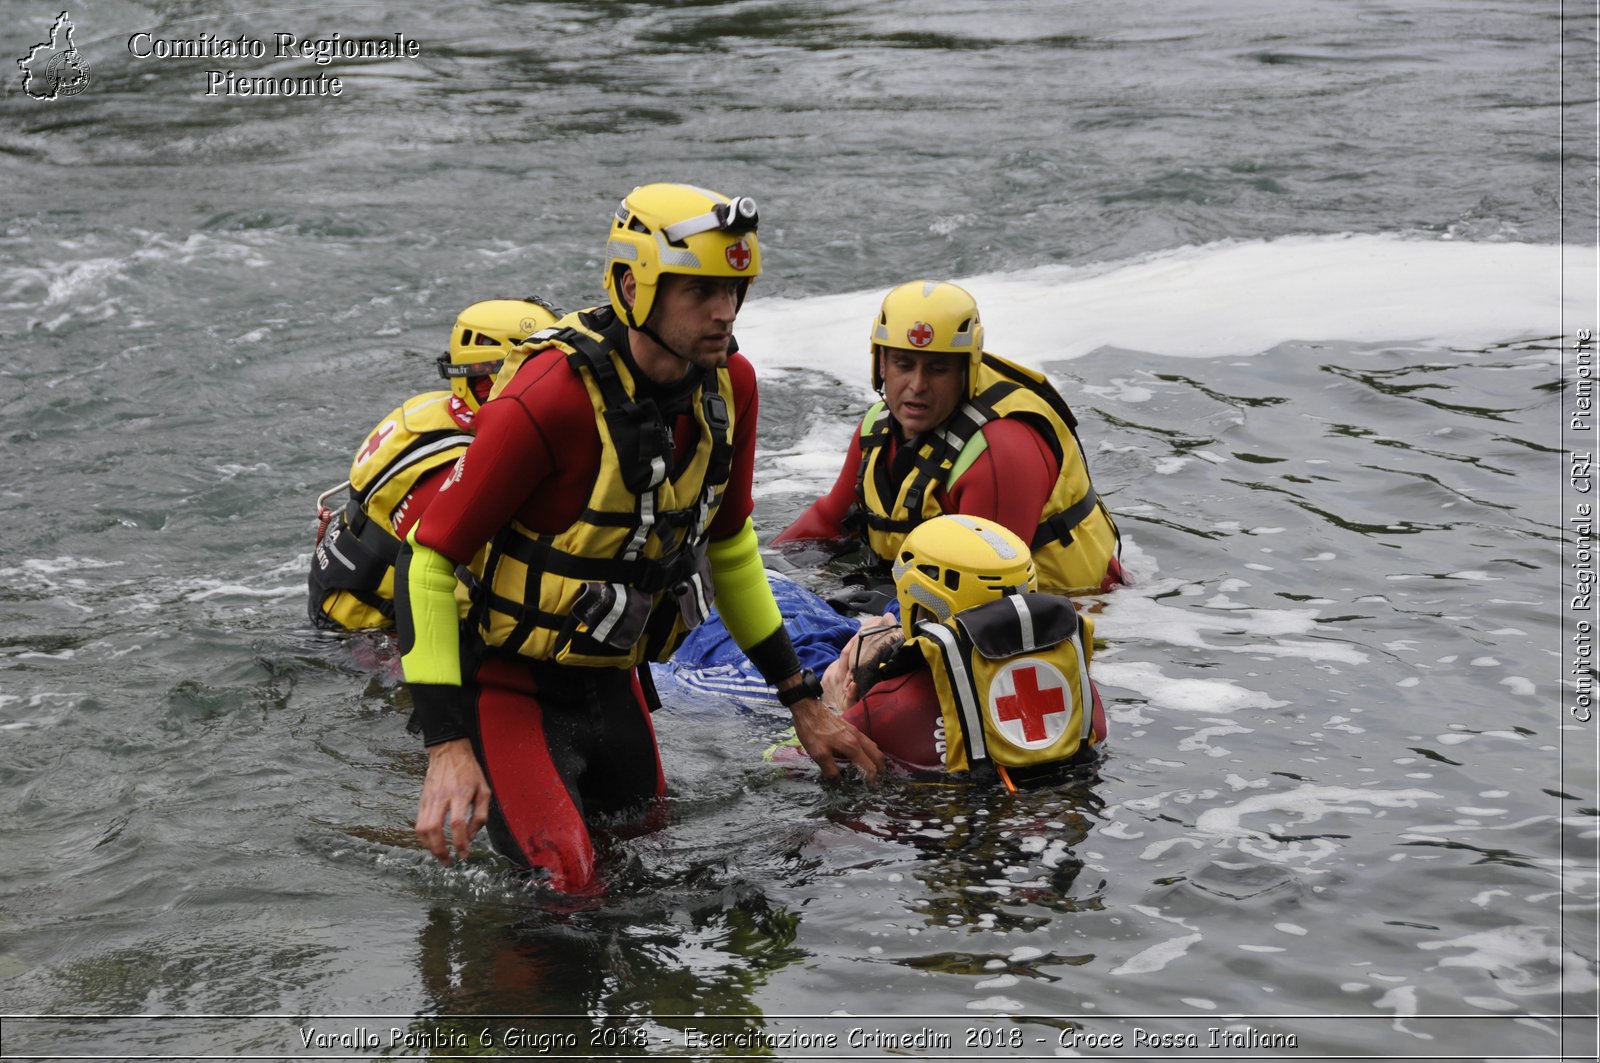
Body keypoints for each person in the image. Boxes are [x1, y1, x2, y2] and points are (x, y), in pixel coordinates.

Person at [394, 183, 885, 892]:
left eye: (737, 290)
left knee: (650, 880)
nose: (726, 311)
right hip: (511, 688)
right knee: (566, 894)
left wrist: (804, 703)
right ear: (632, 285)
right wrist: (446, 746)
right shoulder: (546, 399)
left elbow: (732, 548)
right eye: (702, 291)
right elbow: (428, 559)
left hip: (615, 685)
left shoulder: (732, 385)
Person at [773, 280, 1126, 595]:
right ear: (881, 364)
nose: (917, 386)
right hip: (936, 592)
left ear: (966, 370)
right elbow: (827, 523)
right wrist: (762, 573)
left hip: (1073, 617)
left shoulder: (1001, 453)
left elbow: (987, 599)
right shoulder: (877, 427)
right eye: (903, 364)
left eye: (938, 369)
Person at [772, 514, 1106, 786]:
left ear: (921, 604)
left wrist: (834, 706)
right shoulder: (1081, 689)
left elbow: (784, 765)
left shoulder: (890, 706)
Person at [308, 297, 561, 632]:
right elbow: (437, 580)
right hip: (367, 637)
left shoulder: (429, 410)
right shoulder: (464, 463)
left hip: (338, 599)